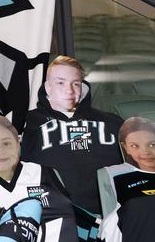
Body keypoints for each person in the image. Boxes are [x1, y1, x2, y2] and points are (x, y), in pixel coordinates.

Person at [21, 55, 123, 215]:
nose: (69, 90)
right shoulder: (27, 123)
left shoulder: (112, 122)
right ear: (48, 87)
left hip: (112, 213)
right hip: (56, 215)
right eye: (60, 83)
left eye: (75, 84)